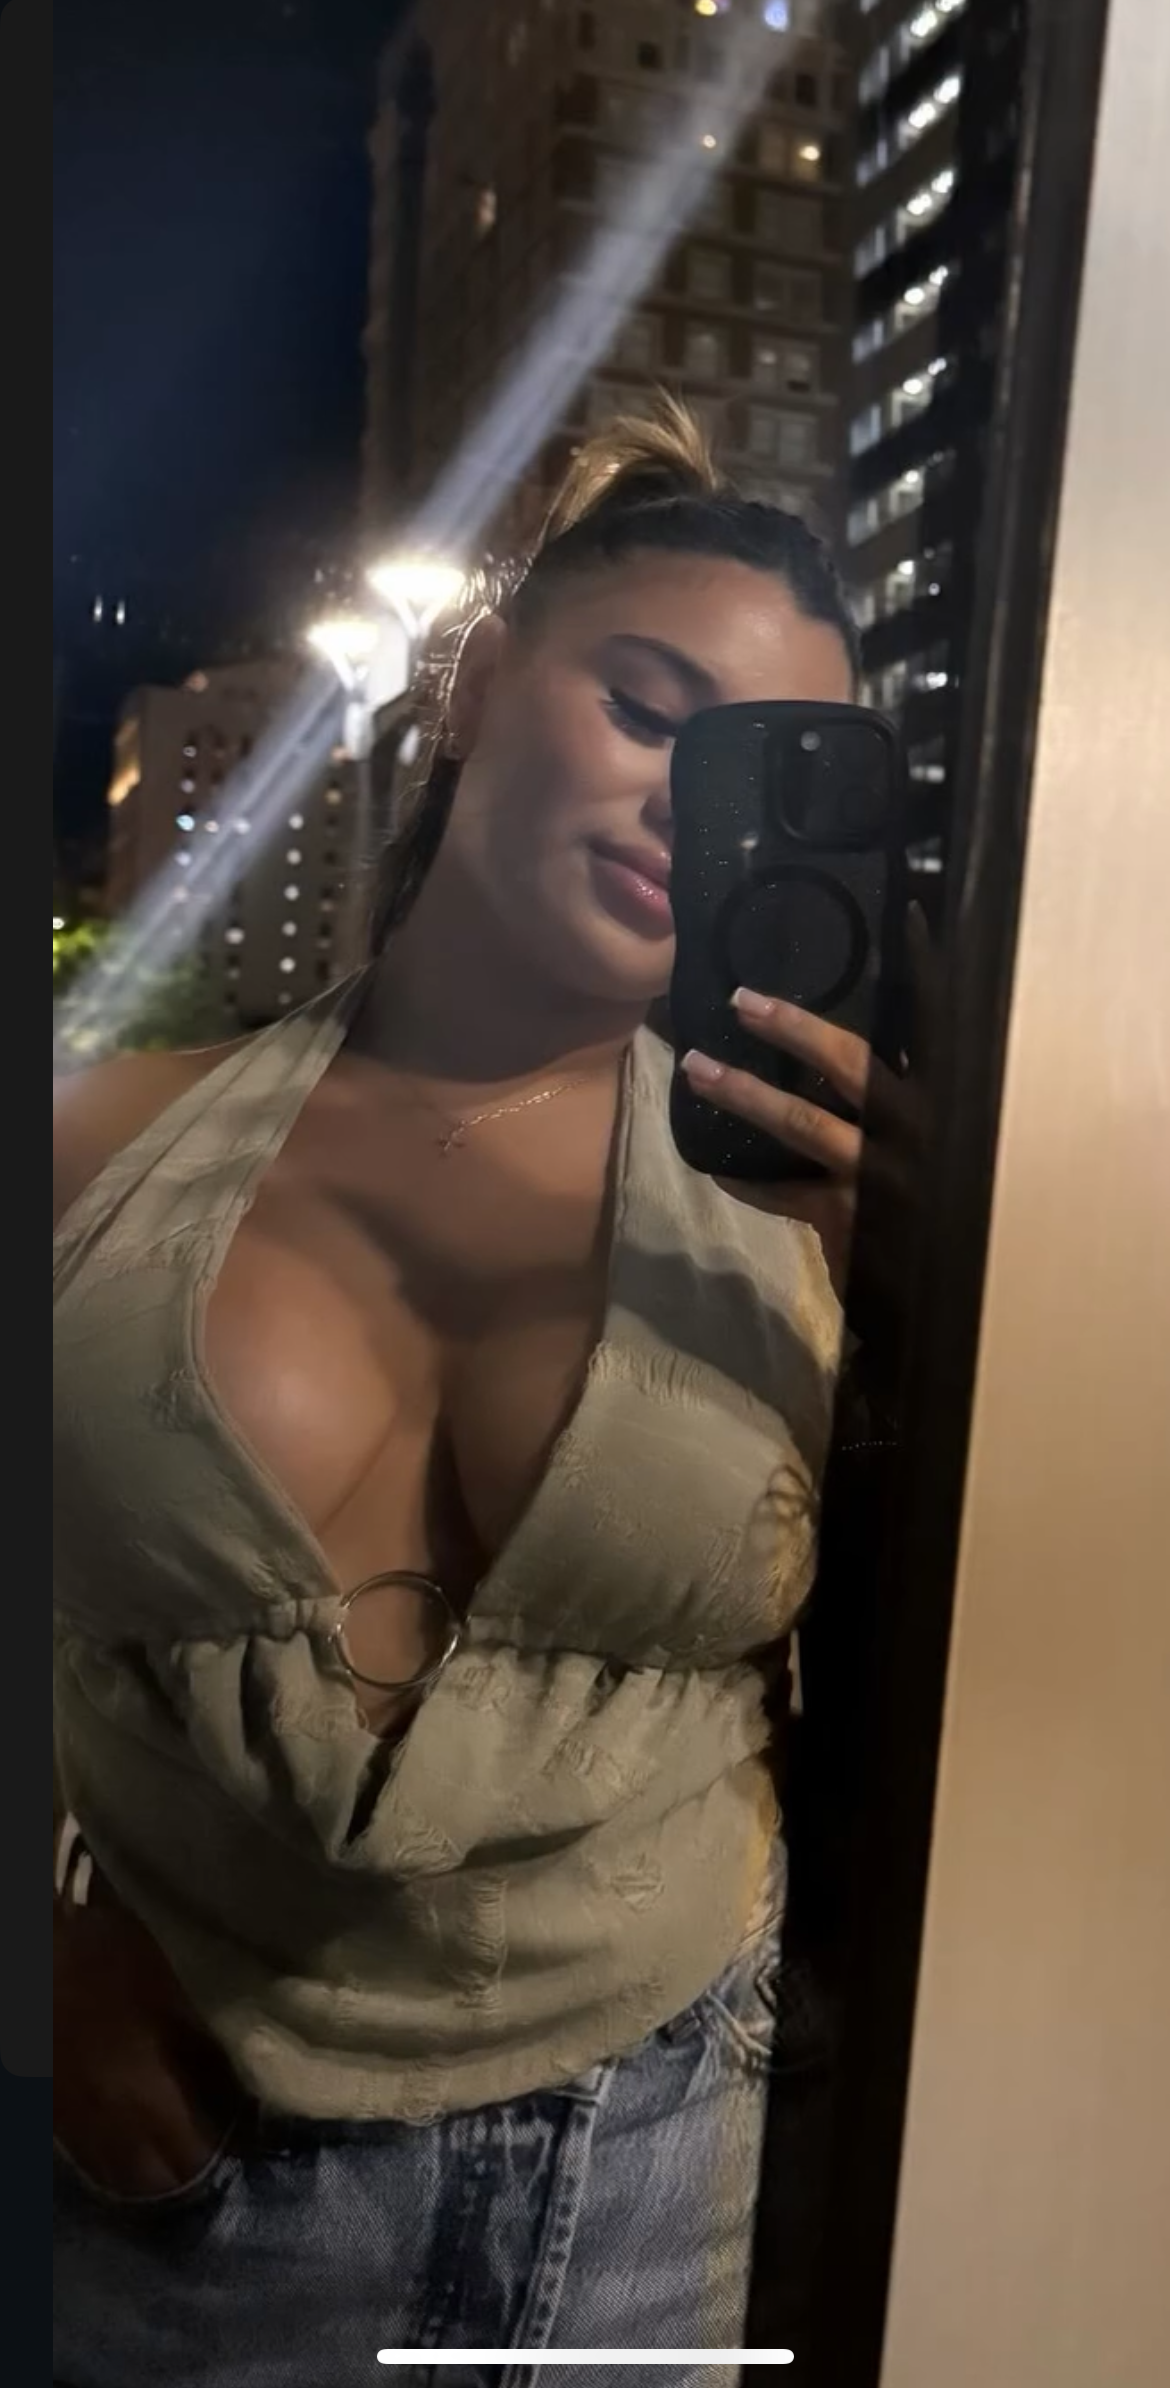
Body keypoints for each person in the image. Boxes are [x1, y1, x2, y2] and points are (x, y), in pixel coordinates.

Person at [53, 399, 878, 2385]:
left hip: (668, 2171)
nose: (691, 811)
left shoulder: (826, 1208)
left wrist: (941, 1282)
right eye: (649, 711)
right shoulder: (102, 1136)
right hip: (170, 2194)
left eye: (771, 778)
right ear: (474, 683)